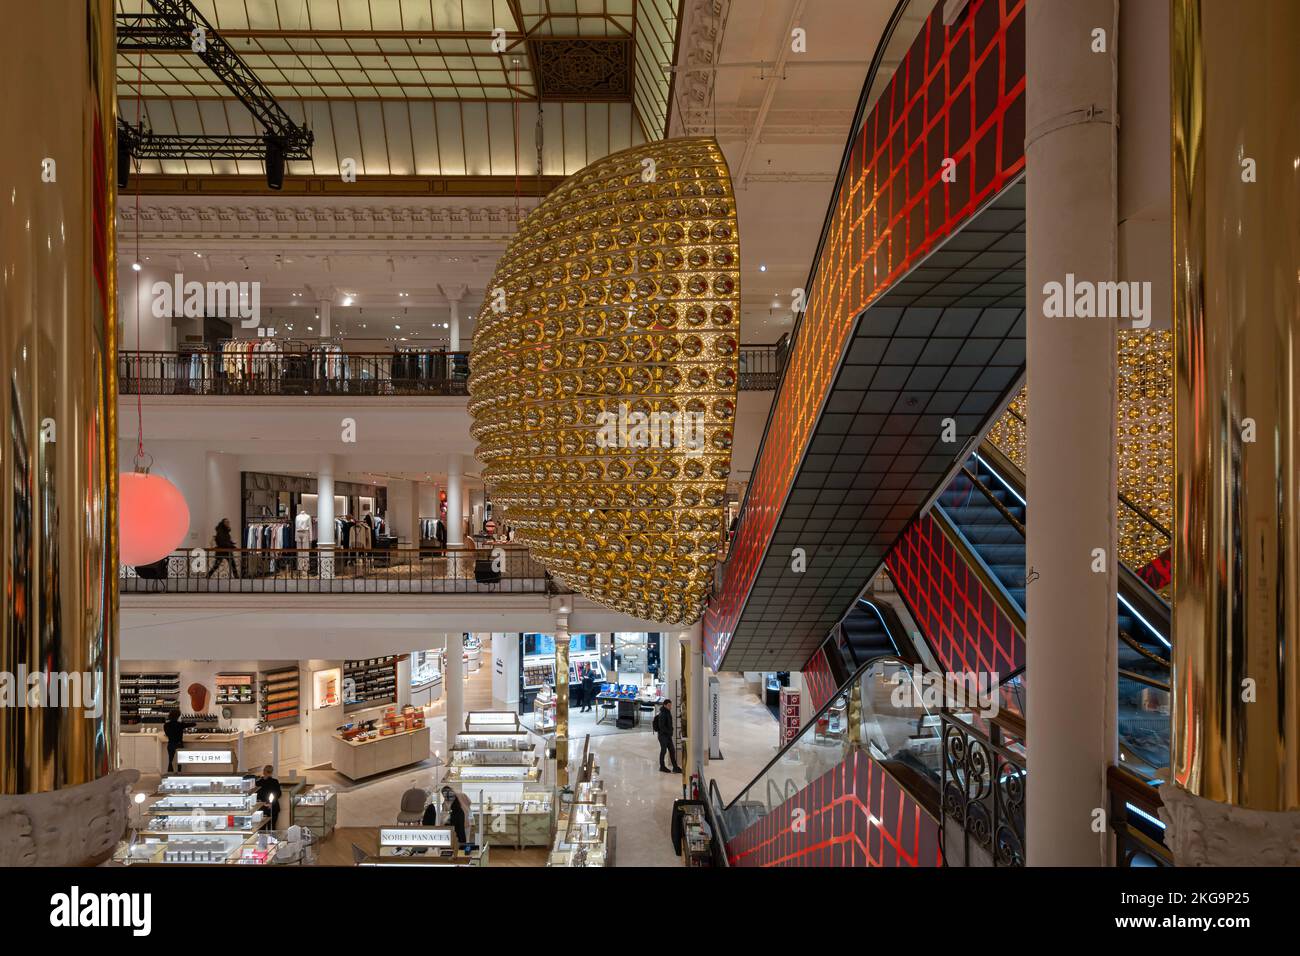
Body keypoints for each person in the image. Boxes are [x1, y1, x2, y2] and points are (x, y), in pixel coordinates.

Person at [654, 701, 681, 774]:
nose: (670, 707)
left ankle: (675, 767)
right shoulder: (662, 714)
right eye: (669, 705)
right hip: (663, 736)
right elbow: (661, 726)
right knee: (663, 751)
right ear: (664, 705)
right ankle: (662, 767)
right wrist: (669, 731)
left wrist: (670, 731)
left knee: (672, 750)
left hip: (667, 735)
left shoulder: (667, 712)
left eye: (670, 705)